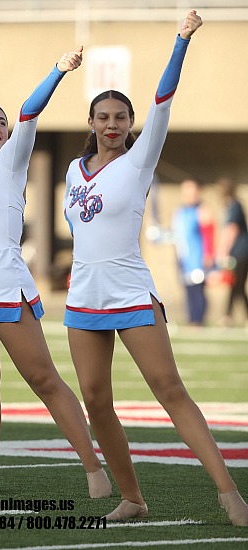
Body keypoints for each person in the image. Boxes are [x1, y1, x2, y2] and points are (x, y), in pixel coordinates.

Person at [62, 11, 248, 525]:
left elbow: (163, 99)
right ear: (92, 123)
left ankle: (229, 493)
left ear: (130, 124)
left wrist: (181, 41)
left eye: (122, 117)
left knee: (170, 390)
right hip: (83, 298)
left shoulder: (140, 159)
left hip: (130, 292)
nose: (113, 124)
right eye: (104, 117)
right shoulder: (73, 173)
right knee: (96, 401)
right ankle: (133, 498)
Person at [0, 47, 112, 499]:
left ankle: (95, 470)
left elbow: (29, 110)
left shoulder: (12, 160)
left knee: (44, 380)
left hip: (4, 288)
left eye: (1, 122)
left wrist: (57, 70)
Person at [172, 178, 215, 326]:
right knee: (188, 290)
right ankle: (191, 320)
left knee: (198, 290)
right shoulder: (180, 211)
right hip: (183, 257)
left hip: (198, 257)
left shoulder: (202, 210)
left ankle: (198, 320)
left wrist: (208, 254)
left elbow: (209, 233)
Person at [217, 177, 248, 326]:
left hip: (240, 252)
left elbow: (232, 230)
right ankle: (227, 317)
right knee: (234, 285)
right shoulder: (232, 206)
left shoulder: (234, 206)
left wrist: (223, 251)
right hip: (238, 252)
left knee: (239, 286)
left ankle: (230, 317)